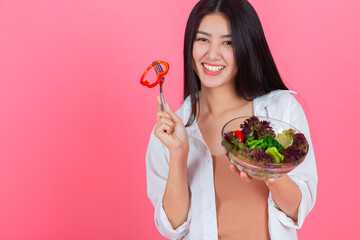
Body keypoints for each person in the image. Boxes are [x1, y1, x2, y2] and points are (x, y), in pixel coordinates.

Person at [146, 0, 318, 239]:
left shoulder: (281, 112)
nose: (212, 54)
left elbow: (298, 208)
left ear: (247, 46)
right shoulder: (170, 133)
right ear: (190, 45)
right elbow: (173, 228)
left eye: (228, 42)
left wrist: (270, 173)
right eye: (203, 39)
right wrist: (179, 153)